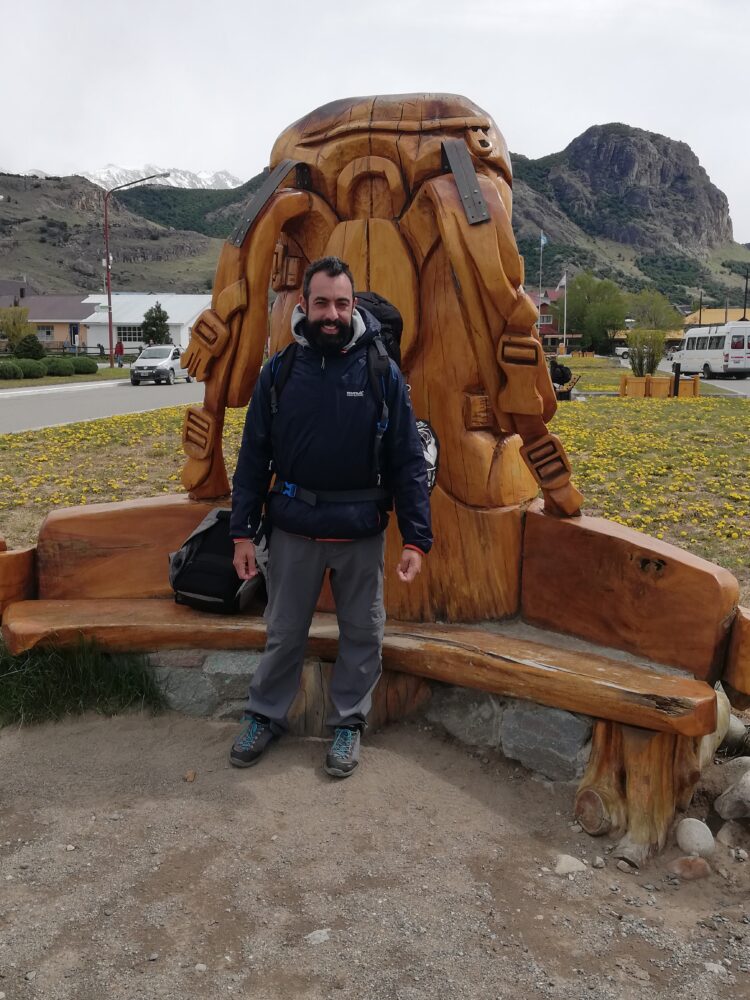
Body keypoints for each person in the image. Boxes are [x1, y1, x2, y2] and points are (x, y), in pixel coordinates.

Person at [229, 256, 432, 778]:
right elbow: (253, 459)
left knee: (362, 632)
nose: (332, 314)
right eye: (322, 303)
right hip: (294, 528)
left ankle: (347, 724)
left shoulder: (382, 372)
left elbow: (408, 460)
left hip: (361, 530)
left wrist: (416, 538)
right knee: (283, 633)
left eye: (342, 303)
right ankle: (265, 715)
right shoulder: (278, 373)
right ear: (305, 305)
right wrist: (241, 533)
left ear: (353, 305)